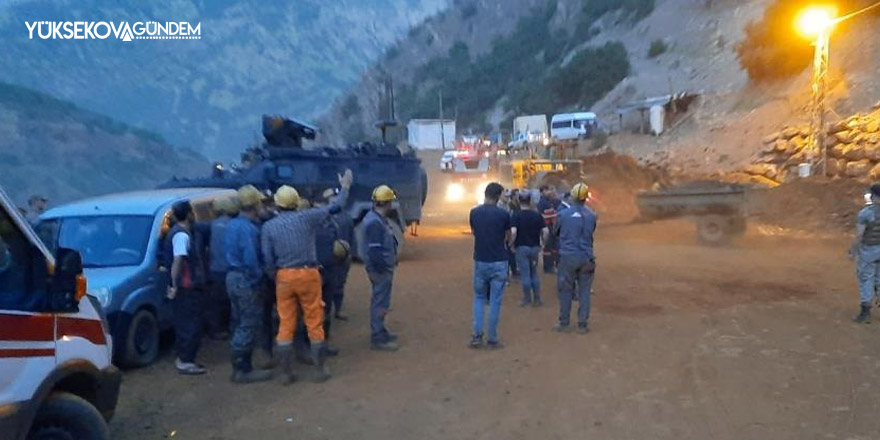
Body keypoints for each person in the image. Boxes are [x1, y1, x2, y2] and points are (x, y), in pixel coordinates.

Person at [261, 171, 353, 384]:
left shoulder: (268, 227)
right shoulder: (307, 217)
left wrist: (276, 277)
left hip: (283, 276)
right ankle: (319, 371)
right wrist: (346, 186)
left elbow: (267, 259)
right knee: (314, 321)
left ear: (277, 204)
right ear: (295, 202)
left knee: (285, 324)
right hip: (309, 274)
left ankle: (286, 374)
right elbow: (336, 206)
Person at [224, 185, 273, 384]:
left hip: (231, 277)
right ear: (254, 205)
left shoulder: (232, 225)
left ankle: (241, 366)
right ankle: (242, 370)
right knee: (249, 322)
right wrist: (259, 279)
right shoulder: (248, 229)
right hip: (245, 279)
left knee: (239, 320)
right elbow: (251, 260)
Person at [163, 201, 208, 375]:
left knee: (184, 321)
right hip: (187, 286)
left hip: (183, 285)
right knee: (191, 323)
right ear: (189, 214)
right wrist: (174, 284)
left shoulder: (175, 233)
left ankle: (183, 357)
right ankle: (186, 361)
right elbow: (178, 261)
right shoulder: (182, 235)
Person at [469, 182, 512, 349]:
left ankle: (477, 335)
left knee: (479, 299)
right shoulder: (503, 214)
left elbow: (474, 232)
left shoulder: (474, 212)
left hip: (480, 259)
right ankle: (492, 338)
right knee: (495, 301)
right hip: (499, 261)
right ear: (498, 195)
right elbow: (508, 236)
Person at [553, 183, 597, 334]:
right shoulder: (592, 215)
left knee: (565, 290)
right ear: (586, 198)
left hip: (568, 257)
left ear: (571, 196)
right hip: (586, 257)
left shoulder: (563, 215)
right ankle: (582, 324)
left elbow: (555, 232)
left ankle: (564, 323)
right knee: (584, 291)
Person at [363, 185, 401, 352]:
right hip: (381, 271)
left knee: (382, 301)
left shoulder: (376, 219)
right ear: (386, 203)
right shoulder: (375, 223)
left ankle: (381, 331)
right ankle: (377, 337)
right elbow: (375, 251)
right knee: (379, 302)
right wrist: (378, 271)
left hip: (382, 269)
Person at [206, 198, 237, 340]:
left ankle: (216, 330)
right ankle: (233, 329)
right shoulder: (234, 225)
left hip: (215, 270)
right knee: (233, 303)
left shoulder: (210, 226)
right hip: (232, 269)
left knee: (215, 304)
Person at [511, 191, 549, 307]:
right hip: (534, 248)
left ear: (519, 200)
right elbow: (546, 231)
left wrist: (512, 244)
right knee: (534, 273)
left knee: (525, 274)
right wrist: (543, 244)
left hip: (521, 247)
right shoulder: (537, 215)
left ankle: (527, 299)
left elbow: (513, 231)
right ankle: (537, 299)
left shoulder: (516, 215)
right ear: (530, 201)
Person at [852, 184, 880, 324]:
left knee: (866, 279)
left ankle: (865, 312)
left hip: (869, 251)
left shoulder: (866, 213)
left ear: (874, 196)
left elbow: (859, 235)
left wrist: (853, 250)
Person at [537, 185, 561, 274]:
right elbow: (541, 216)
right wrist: (555, 215)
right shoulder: (542, 203)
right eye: (546, 190)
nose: (549, 192)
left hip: (551, 227)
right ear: (542, 192)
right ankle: (547, 267)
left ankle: (551, 265)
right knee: (547, 248)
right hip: (546, 228)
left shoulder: (549, 201)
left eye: (549, 190)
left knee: (553, 247)